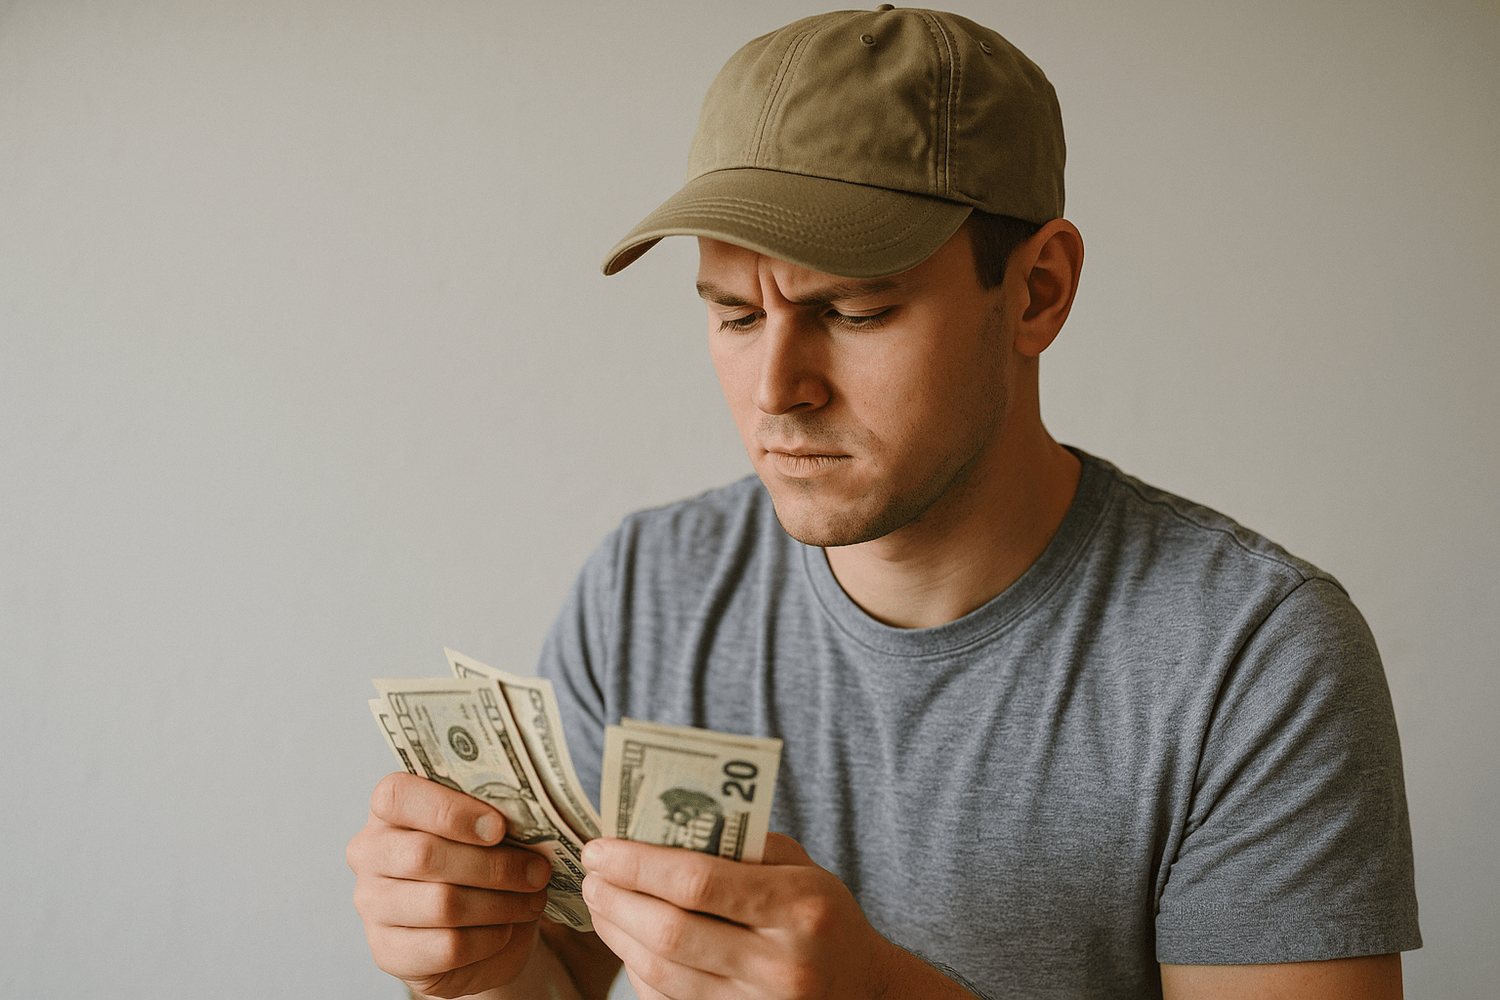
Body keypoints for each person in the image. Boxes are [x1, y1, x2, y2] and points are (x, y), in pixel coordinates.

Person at [346, 8, 1421, 999]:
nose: (778, 390)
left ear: (1037, 291)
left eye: (853, 312)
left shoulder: (1255, 655)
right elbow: (562, 979)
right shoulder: (648, 586)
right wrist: (473, 960)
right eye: (732, 315)